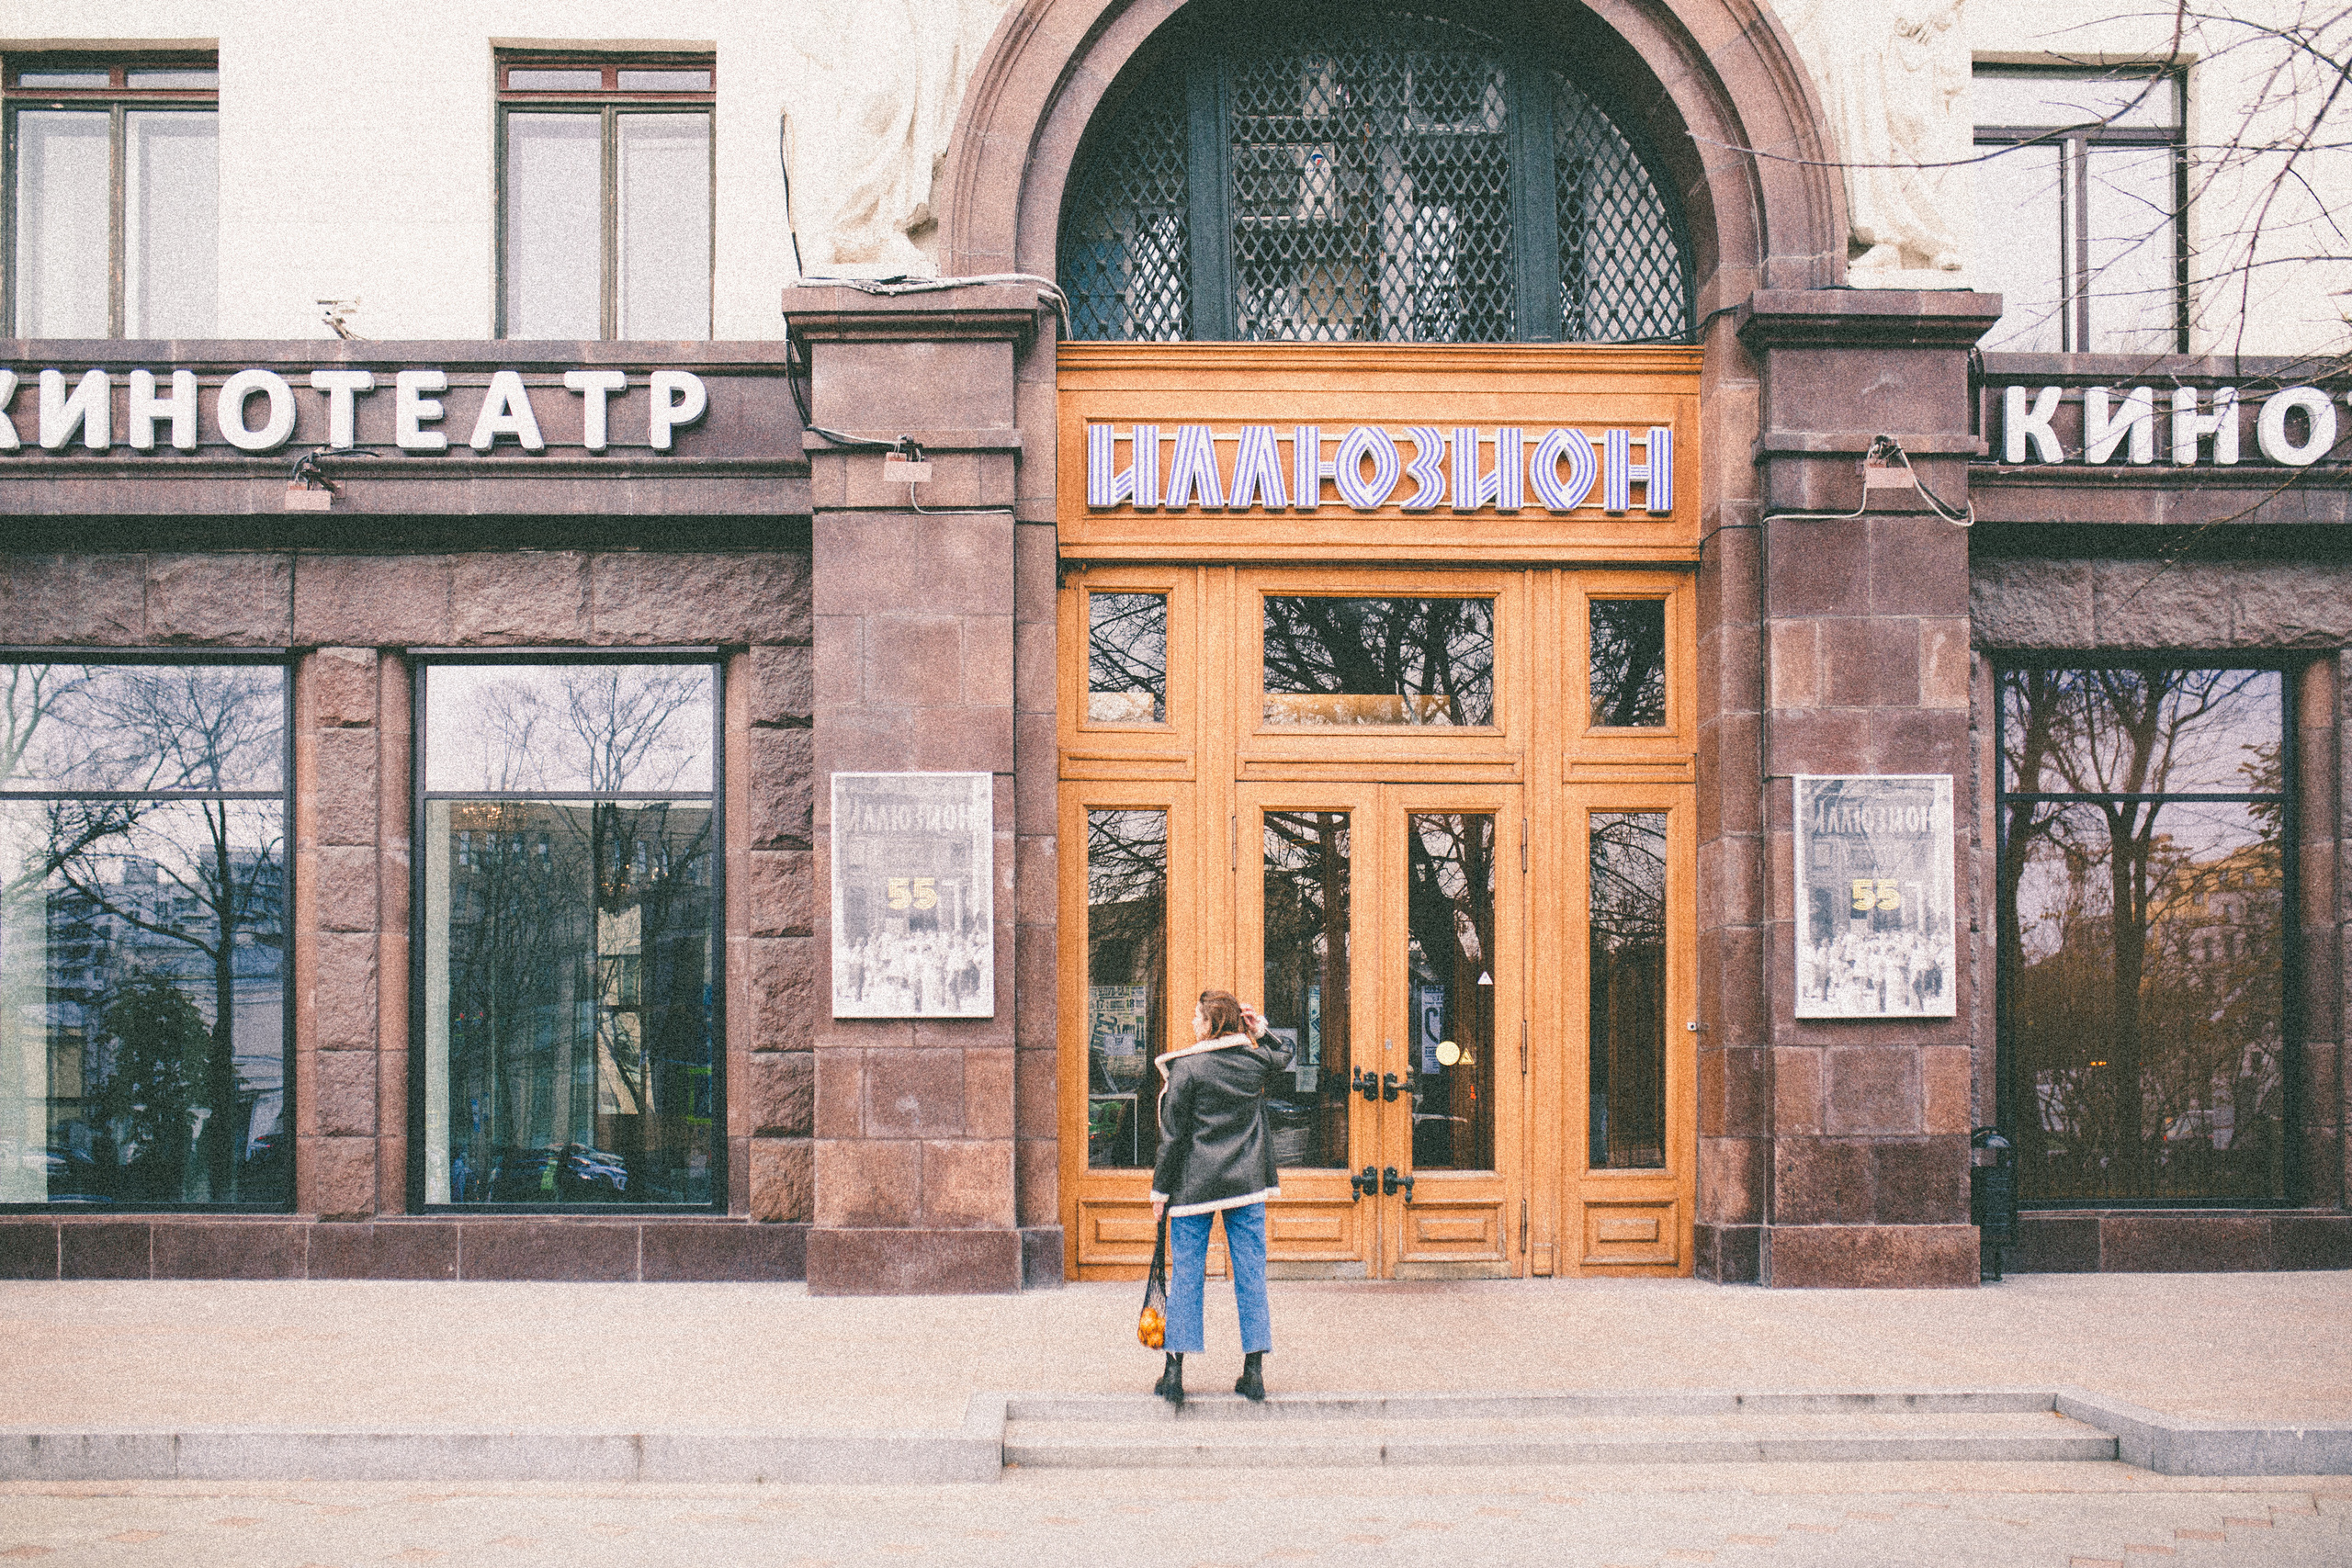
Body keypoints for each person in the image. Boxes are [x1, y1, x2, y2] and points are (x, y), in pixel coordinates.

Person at [1149, 988, 1292, 1406]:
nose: (1193, 1023)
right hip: (1247, 1185)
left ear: (1212, 1023)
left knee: (1187, 1275)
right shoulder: (1254, 1062)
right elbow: (1284, 1056)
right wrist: (1260, 1031)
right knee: (1251, 1273)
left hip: (1193, 1188)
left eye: (1198, 1017)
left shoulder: (1187, 1069)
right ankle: (1254, 1372)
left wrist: (1160, 1191)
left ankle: (1174, 1373)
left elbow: (1172, 1138)